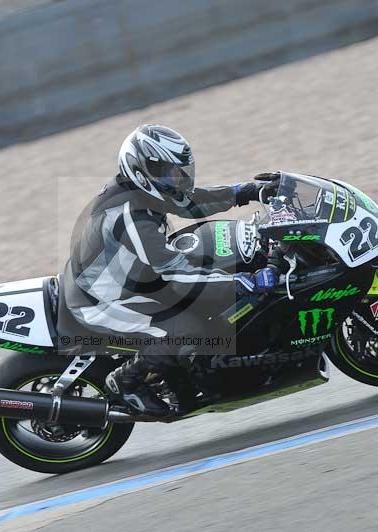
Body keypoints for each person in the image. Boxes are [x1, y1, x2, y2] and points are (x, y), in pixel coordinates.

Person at [63, 124, 278, 416]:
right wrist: (241, 282)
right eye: (167, 172)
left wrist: (246, 191)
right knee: (186, 332)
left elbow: (191, 203)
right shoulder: (130, 216)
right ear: (142, 170)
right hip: (101, 300)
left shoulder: (141, 192)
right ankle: (126, 381)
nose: (176, 179)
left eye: (178, 171)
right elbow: (175, 274)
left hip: (131, 279)